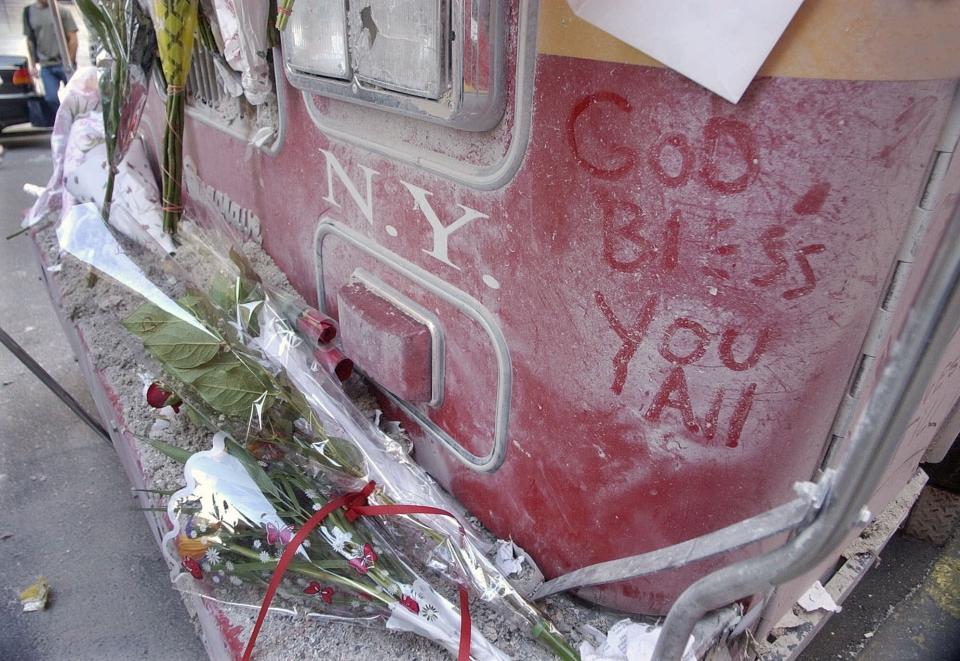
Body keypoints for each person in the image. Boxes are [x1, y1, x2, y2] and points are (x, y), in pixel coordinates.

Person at [23, 0, 79, 126]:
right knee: (51, 98)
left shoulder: (62, 11)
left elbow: (73, 39)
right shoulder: (29, 12)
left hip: (65, 64)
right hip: (46, 65)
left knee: (75, 97)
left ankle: (77, 122)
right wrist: (32, 64)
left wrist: (69, 62)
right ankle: (63, 123)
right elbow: (30, 41)